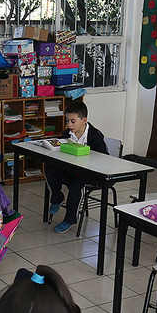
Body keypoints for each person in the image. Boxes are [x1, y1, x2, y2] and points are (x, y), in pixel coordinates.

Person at [46, 100, 109, 234]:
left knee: (75, 186)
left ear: (84, 120)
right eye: (67, 121)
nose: (69, 124)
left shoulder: (95, 136)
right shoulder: (66, 134)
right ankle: (57, 197)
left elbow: (104, 158)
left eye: (72, 121)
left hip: (90, 174)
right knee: (50, 169)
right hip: (72, 169)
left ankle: (70, 219)